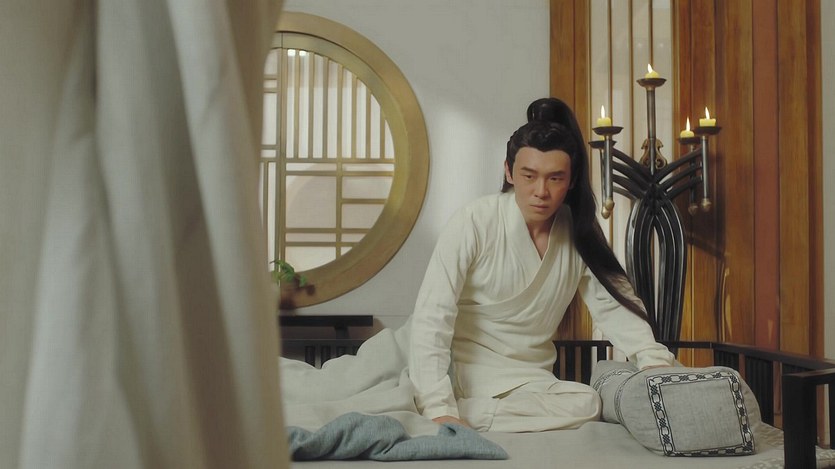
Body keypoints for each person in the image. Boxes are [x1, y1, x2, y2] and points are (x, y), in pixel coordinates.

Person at [407, 97, 674, 432]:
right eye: (529, 176)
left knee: (589, 402)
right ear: (509, 171)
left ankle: (474, 415)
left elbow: (614, 307)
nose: (541, 191)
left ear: (571, 180)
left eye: (555, 178)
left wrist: (654, 362)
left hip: (532, 380)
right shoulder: (474, 221)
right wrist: (438, 407)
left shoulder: (578, 234)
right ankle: (452, 408)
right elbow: (433, 316)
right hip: (465, 371)